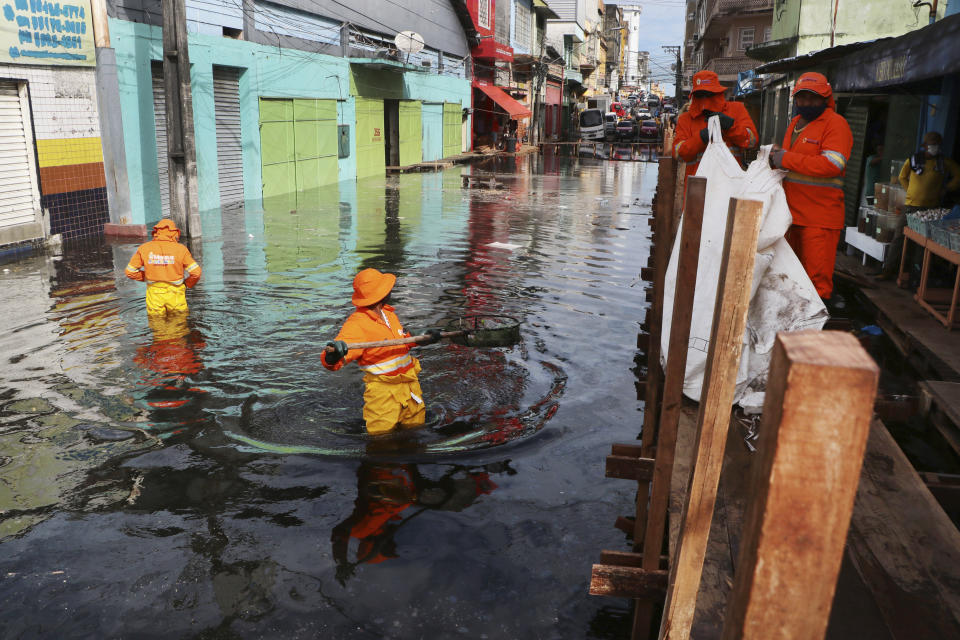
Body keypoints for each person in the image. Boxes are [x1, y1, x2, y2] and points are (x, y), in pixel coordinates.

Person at [322, 268, 441, 435]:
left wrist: (419, 338)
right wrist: (332, 355)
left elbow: (399, 344)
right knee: (382, 440)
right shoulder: (357, 324)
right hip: (383, 395)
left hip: (410, 387)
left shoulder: (389, 315)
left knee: (416, 432)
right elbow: (332, 360)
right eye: (387, 287)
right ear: (381, 294)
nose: (390, 289)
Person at [769, 72, 853, 303]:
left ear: (825, 98)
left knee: (816, 281)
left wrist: (785, 159)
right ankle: (792, 332)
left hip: (820, 218)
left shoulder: (836, 124)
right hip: (791, 216)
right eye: (802, 98)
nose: (806, 103)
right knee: (791, 277)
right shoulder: (796, 123)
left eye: (813, 98)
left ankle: (814, 333)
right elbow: (791, 163)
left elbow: (832, 164)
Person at [880, 132, 960, 278]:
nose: (934, 148)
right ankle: (888, 270)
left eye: (936, 145)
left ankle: (916, 275)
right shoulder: (914, 160)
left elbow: (958, 175)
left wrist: (946, 188)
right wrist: (910, 191)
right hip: (911, 206)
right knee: (899, 237)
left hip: (931, 209)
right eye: (931, 145)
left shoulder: (944, 162)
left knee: (922, 244)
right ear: (925, 146)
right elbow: (902, 177)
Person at [672, 70, 758, 183]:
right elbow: (679, 154)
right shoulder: (686, 119)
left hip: (730, 185)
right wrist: (700, 138)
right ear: (694, 96)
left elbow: (752, 142)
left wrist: (731, 127)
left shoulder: (736, 110)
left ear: (718, 93)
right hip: (698, 188)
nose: (705, 100)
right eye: (700, 95)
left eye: (709, 94)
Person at [125, 218, 202, 315]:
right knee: (179, 323)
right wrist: (187, 284)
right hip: (176, 293)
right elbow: (196, 272)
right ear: (175, 233)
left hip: (154, 294)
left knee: (157, 322)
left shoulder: (144, 248)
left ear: (156, 232)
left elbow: (130, 271)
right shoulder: (181, 249)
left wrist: (147, 276)